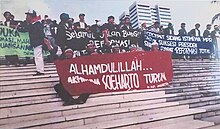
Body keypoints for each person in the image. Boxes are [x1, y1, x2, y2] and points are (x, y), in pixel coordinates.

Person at [21, 9, 45, 76]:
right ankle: (39, 69)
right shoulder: (34, 23)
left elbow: (41, 34)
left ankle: (40, 70)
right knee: (37, 56)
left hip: (38, 42)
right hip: (37, 42)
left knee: (38, 57)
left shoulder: (36, 24)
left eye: (28, 16)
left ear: (31, 16)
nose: (26, 17)